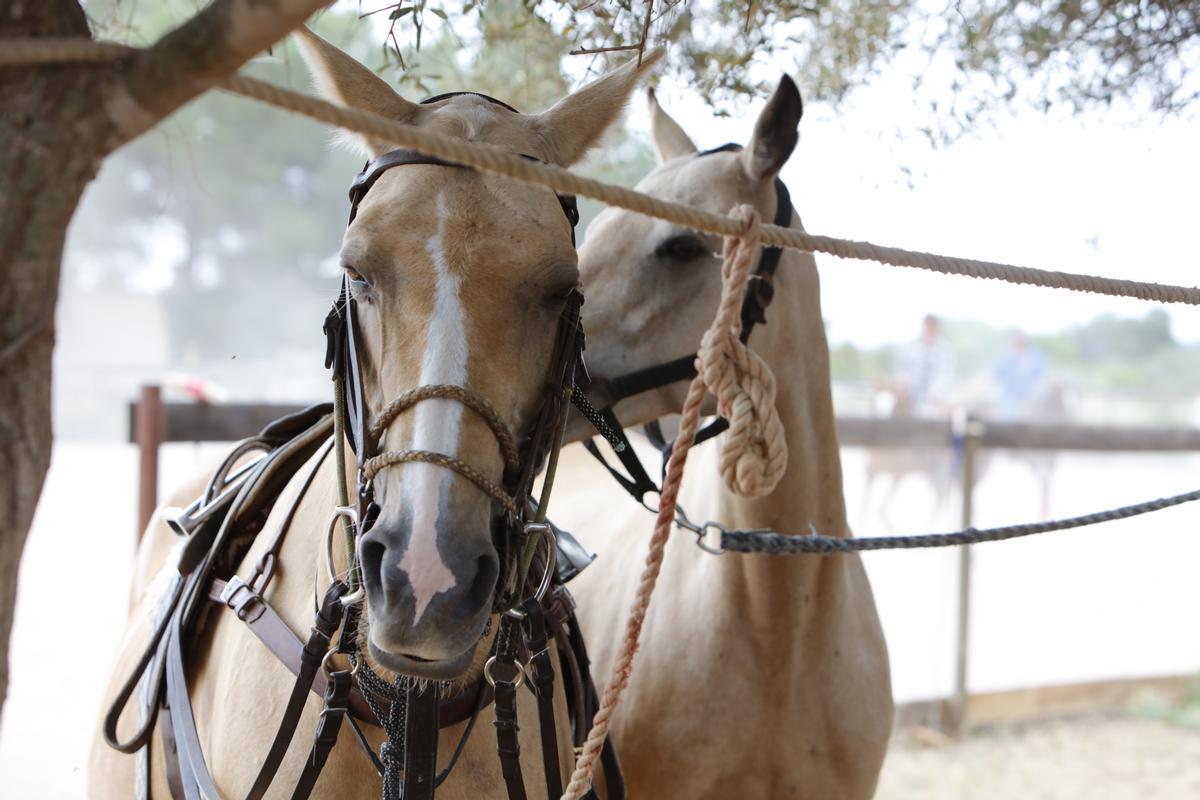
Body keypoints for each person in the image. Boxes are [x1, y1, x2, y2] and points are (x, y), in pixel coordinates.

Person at [895, 314, 955, 418]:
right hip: (912, 399)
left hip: (935, 402)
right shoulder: (912, 348)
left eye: (931, 327)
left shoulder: (945, 351)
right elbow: (904, 371)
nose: (928, 330)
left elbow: (946, 375)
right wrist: (903, 383)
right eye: (926, 326)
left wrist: (936, 391)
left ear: (936, 329)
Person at [990, 330, 1050, 421]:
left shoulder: (1035, 355)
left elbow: (1044, 373)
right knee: (1007, 416)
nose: (1020, 341)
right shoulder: (1005, 355)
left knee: (1039, 417)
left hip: (1031, 393)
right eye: (1017, 338)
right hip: (1010, 394)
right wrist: (1004, 383)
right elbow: (995, 372)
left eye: (1022, 338)